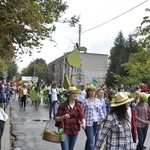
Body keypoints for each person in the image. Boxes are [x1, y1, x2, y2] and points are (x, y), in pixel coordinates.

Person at [83, 85, 105, 150]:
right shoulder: (85, 101)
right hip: (88, 122)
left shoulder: (98, 101)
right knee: (91, 139)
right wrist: (82, 121)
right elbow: (82, 112)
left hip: (97, 122)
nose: (92, 93)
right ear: (88, 92)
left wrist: (104, 119)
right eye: (91, 91)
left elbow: (100, 111)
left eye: (93, 91)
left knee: (91, 138)